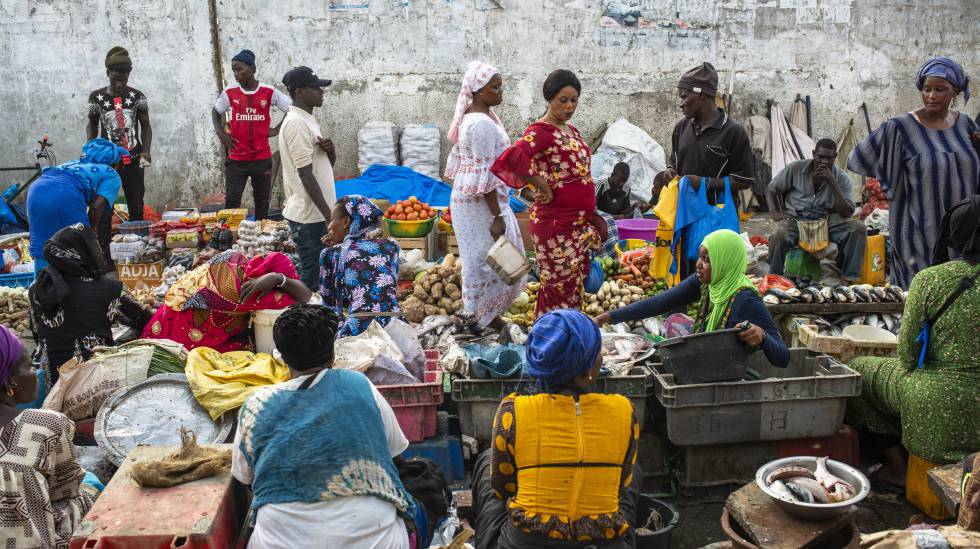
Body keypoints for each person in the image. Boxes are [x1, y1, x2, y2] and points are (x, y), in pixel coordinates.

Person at [232, 305, 418, 549]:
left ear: (282, 356)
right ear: (332, 353)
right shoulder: (359, 385)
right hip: (377, 541)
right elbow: (396, 458)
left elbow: (244, 479)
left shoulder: (256, 405)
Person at [471, 309, 642, 549]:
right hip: (603, 541)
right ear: (590, 366)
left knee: (488, 461)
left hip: (527, 542)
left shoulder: (512, 412)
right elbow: (622, 486)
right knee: (634, 475)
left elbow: (503, 488)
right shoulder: (624, 411)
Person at [847, 196, 980, 490]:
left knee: (857, 370)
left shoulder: (931, 280)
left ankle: (896, 466)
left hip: (936, 397)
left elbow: (907, 356)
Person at [848, 57, 980, 289]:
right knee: (921, 292)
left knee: (960, 294)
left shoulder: (966, 125)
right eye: (927, 89)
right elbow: (859, 157)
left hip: (963, 232)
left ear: (955, 91)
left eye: (941, 89)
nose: (932, 96)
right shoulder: (901, 127)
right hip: (919, 231)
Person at [595, 229, 790, 368]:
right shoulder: (708, 282)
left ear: (725, 263)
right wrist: (606, 318)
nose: (698, 264)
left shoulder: (746, 299)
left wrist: (762, 336)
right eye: (700, 257)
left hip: (731, 376)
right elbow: (661, 302)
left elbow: (783, 357)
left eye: (707, 260)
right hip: (704, 366)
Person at [491, 69, 598, 317]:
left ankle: (570, 339)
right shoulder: (541, 131)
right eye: (563, 100)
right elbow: (513, 157)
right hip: (555, 226)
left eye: (574, 100)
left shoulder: (572, 131)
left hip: (576, 225)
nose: (570, 106)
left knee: (573, 290)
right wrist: (540, 184)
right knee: (557, 290)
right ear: (549, 99)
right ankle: (552, 342)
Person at [0, 325, 99, 547]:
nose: (36, 372)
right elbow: (67, 494)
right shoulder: (46, 424)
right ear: (10, 382)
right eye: (28, 367)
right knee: (88, 493)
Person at [446, 61, 526, 328]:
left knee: (485, 256)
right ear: (479, 90)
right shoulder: (480, 124)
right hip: (479, 203)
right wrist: (497, 215)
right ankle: (477, 315)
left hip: (471, 198)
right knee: (483, 258)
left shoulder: (476, 117)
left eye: (500, 85)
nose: (501, 91)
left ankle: (485, 315)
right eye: (495, 86)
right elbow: (486, 172)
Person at [659, 62, 754, 277]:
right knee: (683, 274)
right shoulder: (681, 128)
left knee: (714, 274)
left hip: (715, 217)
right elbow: (674, 161)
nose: (681, 104)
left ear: (702, 96)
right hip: (684, 215)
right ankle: (681, 311)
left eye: (684, 97)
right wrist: (670, 171)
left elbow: (744, 179)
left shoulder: (733, 132)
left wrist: (703, 183)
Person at [29, 225, 152, 384]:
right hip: (93, 379)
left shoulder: (37, 287)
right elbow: (145, 319)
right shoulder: (112, 288)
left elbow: (37, 332)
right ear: (84, 252)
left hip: (49, 378)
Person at [141, 251, 315, 351]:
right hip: (180, 334)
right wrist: (278, 279)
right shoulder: (246, 291)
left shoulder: (237, 260)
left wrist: (275, 276)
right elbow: (305, 297)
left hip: (167, 315)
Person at [767, 138, 866, 282]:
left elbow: (847, 213)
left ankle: (850, 278)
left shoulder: (842, 178)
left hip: (825, 221)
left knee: (858, 228)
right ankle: (775, 278)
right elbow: (772, 188)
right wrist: (773, 211)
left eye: (829, 158)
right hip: (796, 219)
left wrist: (832, 182)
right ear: (814, 154)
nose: (824, 162)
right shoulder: (795, 168)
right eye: (821, 157)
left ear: (835, 157)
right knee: (779, 234)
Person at [212, 49, 292, 220]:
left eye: (239, 69)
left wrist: (277, 129)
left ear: (252, 68)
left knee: (262, 201)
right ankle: (229, 240)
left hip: (261, 159)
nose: (236, 74)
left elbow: (291, 108)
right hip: (237, 160)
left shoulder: (269, 92)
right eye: (233, 70)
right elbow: (216, 111)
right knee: (232, 202)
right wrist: (220, 133)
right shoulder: (230, 92)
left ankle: (259, 236)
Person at [26, 138, 129, 271]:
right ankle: (78, 285)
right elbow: (97, 207)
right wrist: (89, 234)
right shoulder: (111, 173)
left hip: (36, 191)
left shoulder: (74, 163)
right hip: (65, 193)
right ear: (114, 163)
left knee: (42, 241)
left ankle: (40, 286)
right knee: (77, 247)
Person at [279, 66, 337, 291]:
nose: (322, 91)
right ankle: (305, 321)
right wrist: (329, 216)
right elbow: (304, 174)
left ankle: (317, 319)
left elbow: (323, 169)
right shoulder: (295, 123)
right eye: (316, 87)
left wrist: (330, 152)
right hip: (309, 217)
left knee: (320, 276)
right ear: (300, 91)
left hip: (316, 215)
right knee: (311, 278)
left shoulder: (307, 120)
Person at [86, 46, 152, 223]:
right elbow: (92, 126)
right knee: (104, 208)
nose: (120, 84)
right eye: (116, 79)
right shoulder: (96, 98)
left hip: (134, 157)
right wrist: (90, 151)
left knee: (136, 206)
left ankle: (137, 245)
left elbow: (146, 126)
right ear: (108, 73)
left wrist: (146, 150)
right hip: (107, 161)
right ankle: (104, 250)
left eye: (124, 80)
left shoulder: (138, 97)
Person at [320, 195, 402, 337]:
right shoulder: (392, 247)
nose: (328, 226)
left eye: (331, 220)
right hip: (395, 324)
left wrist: (333, 254)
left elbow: (329, 302)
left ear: (346, 222)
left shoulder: (330, 253)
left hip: (359, 327)